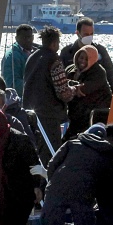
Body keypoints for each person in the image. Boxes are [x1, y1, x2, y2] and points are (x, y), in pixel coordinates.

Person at [23, 26, 77, 165]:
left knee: (37, 151)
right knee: (51, 154)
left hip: (30, 113)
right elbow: (63, 92)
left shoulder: (32, 57)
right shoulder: (54, 60)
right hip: (48, 115)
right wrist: (74, 89)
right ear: (54, 43)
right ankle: (49, 183)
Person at [64, 45, 112, 141]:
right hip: (76, 115)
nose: (83, 61)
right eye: (81, 58)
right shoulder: (70, 70)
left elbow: (84, 89)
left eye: (87, 59)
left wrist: (70, 86)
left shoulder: (99, 72)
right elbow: (63, 84)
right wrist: (72, 85)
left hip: (95, 115)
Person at [59, 17, 113, 91]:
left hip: (97, 96)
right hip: (75, 96)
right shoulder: (66, 52)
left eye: (91, 34)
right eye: (86, 34)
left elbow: (110, 74)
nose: (89, 37)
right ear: (77, 33)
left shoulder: (100, 50)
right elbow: (62, 76)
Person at [1, 24, 35, 93]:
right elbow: (12, 84)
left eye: (30, 37)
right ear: (16, 38)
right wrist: (37, 85)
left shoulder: (35, 52)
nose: (28, 40)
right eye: (24, 37)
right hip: (18, 99)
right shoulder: (11, 56)